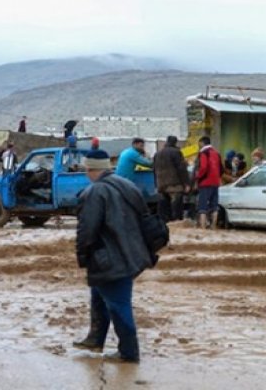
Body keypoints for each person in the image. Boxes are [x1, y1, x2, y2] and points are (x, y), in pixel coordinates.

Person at [74, 150, 153, 363]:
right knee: (99, 295)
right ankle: (95, 338)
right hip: (132, 252)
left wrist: (82, 256)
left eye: (86, 170)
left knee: (118, 304)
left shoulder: (94, 192)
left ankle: (129, 352)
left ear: (91, 169)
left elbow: (86, 231)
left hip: (110, 257)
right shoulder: (126, 184)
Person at [154, 136, 190, 222]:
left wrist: (156, 184)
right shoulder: (176, 152)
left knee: (164, 207)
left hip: (161, 184)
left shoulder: (157, 153)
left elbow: (154, 169)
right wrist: (186, 183)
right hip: (174, 184)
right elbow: (181, 169)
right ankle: (176, 223)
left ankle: (165, 224)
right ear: (175, 142)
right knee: (176, 206)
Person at [194, 136, 222, 229]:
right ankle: (213, 226)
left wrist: (198, 176)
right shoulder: (217, 153)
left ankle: (203, 227)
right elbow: (221, 169)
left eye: (199, 143)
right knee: (214, 205)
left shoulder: (203, 153)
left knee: (202, 206)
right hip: (216, 182)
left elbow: (203, 167)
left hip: (205, 183)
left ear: (202, 143)